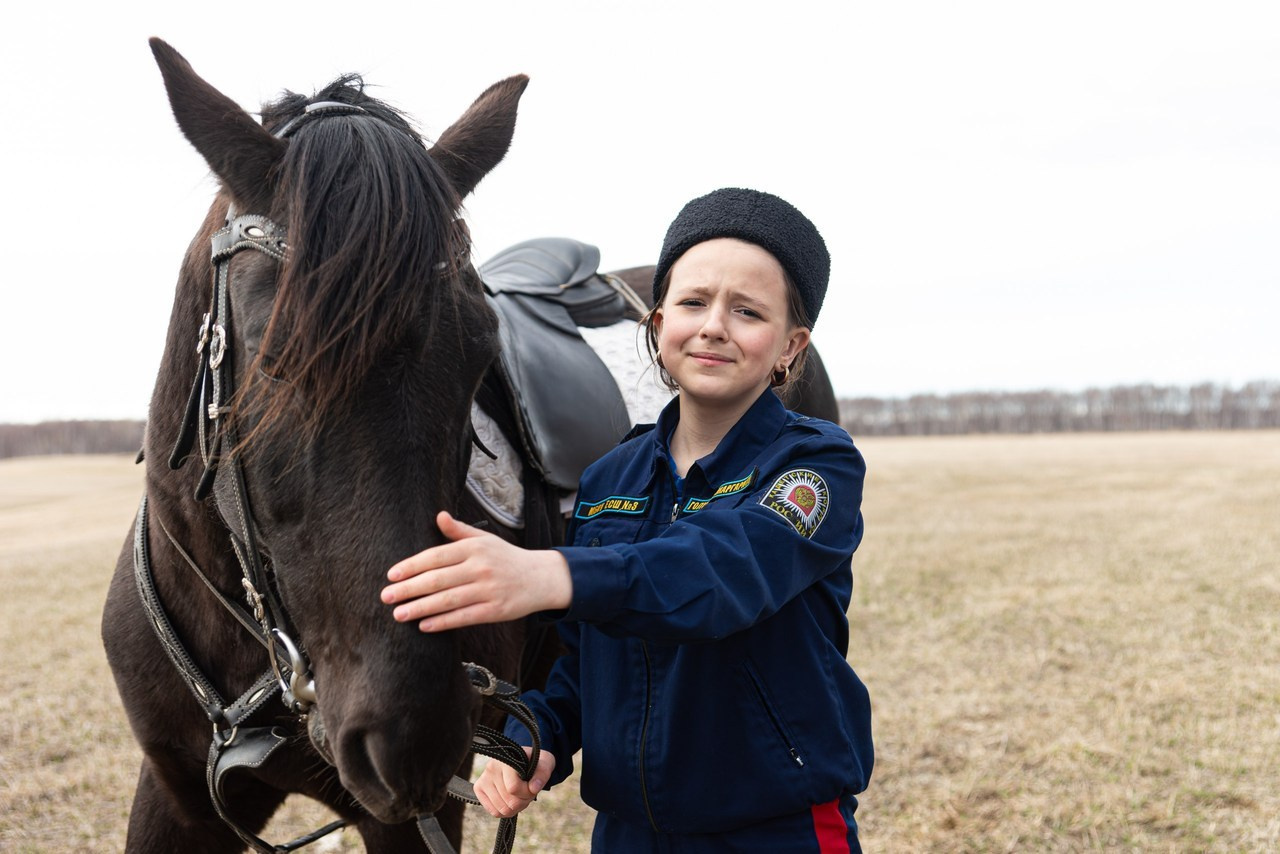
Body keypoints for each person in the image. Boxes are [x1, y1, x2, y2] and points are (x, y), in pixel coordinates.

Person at [381, 187, 873, 852]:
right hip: (627, 832)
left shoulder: (816, 465)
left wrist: (551, 573)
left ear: (791, 346)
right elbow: (585, 659)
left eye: (748, 311)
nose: (714, 326)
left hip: (774, 826)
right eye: (694, 302)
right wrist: (537, 737)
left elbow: (721, 573)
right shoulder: (611, 475)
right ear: (657, 320)